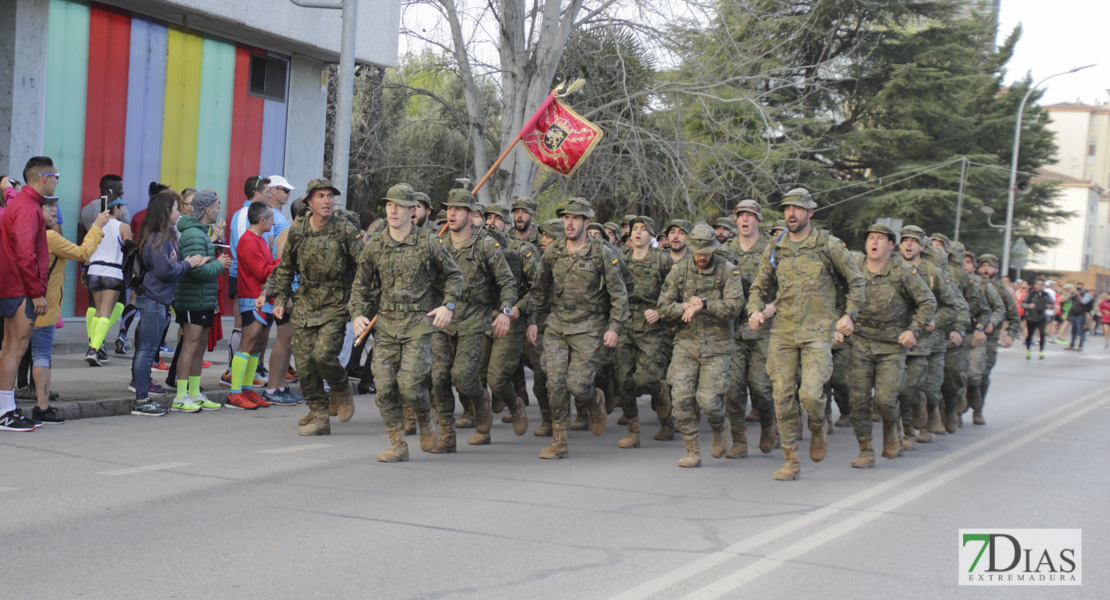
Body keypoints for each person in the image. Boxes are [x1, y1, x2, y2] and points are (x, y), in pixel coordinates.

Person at [747, 188, 865, 480]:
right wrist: (754, 309)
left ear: (810, 212)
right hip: (783, 332)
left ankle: (817, 425)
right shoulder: (776, 247)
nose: (791, 214)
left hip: (817, 333)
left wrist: (849, 315)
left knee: (811, 395)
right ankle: (790, 459)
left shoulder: (828, 245)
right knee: (782, 396)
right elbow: (759, 287)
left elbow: (857, 281)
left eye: (798, 209)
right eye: (787, 208)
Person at [350, 184, 463, 461]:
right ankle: (398, 444)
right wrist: (357, 314)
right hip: (387, 326)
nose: (392, 210)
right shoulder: (376, 244)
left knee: (411, 385)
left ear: (413, 211)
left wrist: (448, 305)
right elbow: (360, 286)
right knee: (385, 387)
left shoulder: (429, 242)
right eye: (389, 204)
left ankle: (424, 415)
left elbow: (454, 276)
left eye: (399, 205)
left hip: (419, 325)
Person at [525, 197, 629, 459]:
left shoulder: (601, 253)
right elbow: (538, 291)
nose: (568, 222)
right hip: (558, 327)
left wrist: (614, 327)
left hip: (589, 328)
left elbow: (619, 295)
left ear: (586, 222)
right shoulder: (553, 252)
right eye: (566, 218)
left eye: (574, 218)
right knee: (556, 383)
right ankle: (560, 442)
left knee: (578, 385)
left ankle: (594, 399)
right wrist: (527, 317)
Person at [271, 179, 363, 435]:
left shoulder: (345, 230)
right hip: (305, 303)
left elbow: (364, 267)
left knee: (323, 356)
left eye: (330, 196)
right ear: (309, 202)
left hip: (336, 303)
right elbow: (286, 266)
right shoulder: (299, 230)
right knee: (304, 364)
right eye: (321, 196)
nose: (327, 201)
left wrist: (360, 303)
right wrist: (280, 298)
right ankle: (320, 416)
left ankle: (342, 387)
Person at [430, 188, 516, 448]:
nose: (451, 213)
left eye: (458, 209)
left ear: (471, 214)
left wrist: (505, 312)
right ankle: (447, 435)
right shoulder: (438, 243)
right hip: (443, 322)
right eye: (449, 208)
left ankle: (480, 400)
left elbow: (507, 282)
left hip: (474, 321)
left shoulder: (486, 244)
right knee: (438, 378)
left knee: (464, 376)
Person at [845, 224, 935, 467]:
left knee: (885, 399)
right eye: (870, 238)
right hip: (860, 344)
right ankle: (866, 450)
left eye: (880, 239)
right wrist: (840, 322)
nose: (874, 242)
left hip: (892, 347)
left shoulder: (902, 272)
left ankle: (891, 431)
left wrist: (913, 330)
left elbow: (927, 302)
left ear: (891, 245)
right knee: (859, 401)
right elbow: (835, 297)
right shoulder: (854, 270)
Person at [656, 224, 743, 467]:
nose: (702, 257)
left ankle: (720, 425)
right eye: (698, 251)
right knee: (681, 399)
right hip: (686, 344)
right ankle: (692, 450)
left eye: (707, 251)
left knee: (708, 401)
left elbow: (735, 306)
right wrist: (685, 306)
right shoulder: (679, 271)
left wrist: (705, 304)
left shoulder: (729, 271)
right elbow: (663, 307)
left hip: (717, 347)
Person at [28, 198, 109, 423]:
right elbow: (83, 253)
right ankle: (42, 407)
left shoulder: (25, 234)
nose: (55, 211)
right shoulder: (49, 237)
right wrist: (96, 228)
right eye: (49, 207)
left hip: (19, 304)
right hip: (43, 306)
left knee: (13, 354)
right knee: (41, 356)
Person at [131, 192, 209, 415]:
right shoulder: (158, 238)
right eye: (176, 208)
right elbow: (165, 271)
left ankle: (143, 397)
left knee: (147, 350)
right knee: (146, 351)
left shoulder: (162, 236)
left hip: (158, 300)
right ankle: (142, 399)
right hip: (154, 301)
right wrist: (187, 264)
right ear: (166, 212)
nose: (179, 212)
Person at [0, 157, 58, 431]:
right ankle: (5, 411)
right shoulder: (28, 208)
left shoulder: (22, 204)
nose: (57, 181)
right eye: (56, 176)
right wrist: (36, 293)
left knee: (11, 348)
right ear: (44, 178)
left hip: (16, 286)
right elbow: (26, 253)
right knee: (15, 348)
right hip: (21, 288)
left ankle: (7, 408)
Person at [722, 199, 778, 457]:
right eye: (741, 215)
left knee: (761, 388)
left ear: (759, 220)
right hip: (733, 331)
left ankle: (769, 425)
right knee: (733, 388)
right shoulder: (725, 251)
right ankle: (739, 440)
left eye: (750, 216)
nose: (745, 220)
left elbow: (788, 286)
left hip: (763, 330)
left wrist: (772, 307)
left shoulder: (773, 250)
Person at [614, 216, 675, 448]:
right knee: (625, 381)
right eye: (634, 229)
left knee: (646, 381)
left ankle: (661, 397)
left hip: (651, 328)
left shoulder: (662, 260)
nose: (637, 233)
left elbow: (676, 292)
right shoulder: (622, 258)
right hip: (625, 324)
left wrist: (660, 311)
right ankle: (633, 431)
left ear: (652, 235)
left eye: (643, 229)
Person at [483, 203, 538, 436]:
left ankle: (515, 404)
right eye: (488, 217)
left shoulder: (522, 250)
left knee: (497, 378)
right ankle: (481, 423)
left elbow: (539, 288)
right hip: (480, 319)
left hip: (511, 320)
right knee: (469, 377)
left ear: (507, 225)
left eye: (497, 218)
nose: (491, 222)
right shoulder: (477, 248)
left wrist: (520, 307)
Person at [174, 190, 231, 409]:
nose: (219, 209)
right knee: (190, 345)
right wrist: (220, 264)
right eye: (217, 205)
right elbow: (196, 270)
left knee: (199, 347)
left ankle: (195, 392)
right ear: (207, 210)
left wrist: (215, 262)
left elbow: (202, 264)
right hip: (193, 299)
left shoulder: (200, 232)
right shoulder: (193, 234)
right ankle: (181, 396)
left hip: (203, 298)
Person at [224, 176, 271, 385]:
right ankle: (235, 389)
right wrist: (283, 266)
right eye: (271, 218)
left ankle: (247, 385)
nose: (273, 221)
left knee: (254, 345)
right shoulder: (249, 238)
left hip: (259, 294)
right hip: (251, 295)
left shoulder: (259, 238)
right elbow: (260, 270)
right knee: (247, 342)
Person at [84, 196, 132, 366]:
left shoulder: (95, 225)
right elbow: (129, 249)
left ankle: (94, 344)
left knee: (97, 311)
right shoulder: (123, 226)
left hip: (94, 270)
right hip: (113, 271)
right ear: (116, 208)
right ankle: (94, 350)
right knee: (106, 312)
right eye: (121, 207)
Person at [973, 254, 1019, 426]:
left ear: (996, 269)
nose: (986, 269)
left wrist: (1010, 335)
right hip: (970, 336)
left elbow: (1014, 316)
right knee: (965, 375)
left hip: (990, 340)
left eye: (990, 266)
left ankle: (978, 409)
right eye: (983, 266)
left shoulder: (1001, 290)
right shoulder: (972, 283)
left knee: (982, 376)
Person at [1021, 279, 1051, 359]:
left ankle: (1041, 352)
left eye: (1041, 284)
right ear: (1035, 285)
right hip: (1031, 317)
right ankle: (1028, 350)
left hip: (1042, 317)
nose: (1040, 286)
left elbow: (1052, 304)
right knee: (1030, 334)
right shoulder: (1030, 294)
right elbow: (1023, 304)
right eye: (1038, 284)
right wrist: (1029, 306)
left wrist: (1049, 306)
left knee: (1042, 334)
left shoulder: (1046, 295)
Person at [1065, 282, 1095, 351]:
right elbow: (1066, 299)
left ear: (1083, 287)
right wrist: (1071, 293)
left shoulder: (1086, 294)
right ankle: (1071, 345)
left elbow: (1084, 302)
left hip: (1081, 314)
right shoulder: (1074, 294)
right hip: (1073, 313)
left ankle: (1080, 346)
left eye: (1080, 287)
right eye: (1078, 287)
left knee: (1081, 331)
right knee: (1073, 331)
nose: (1079, 289)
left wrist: (1078, 295)